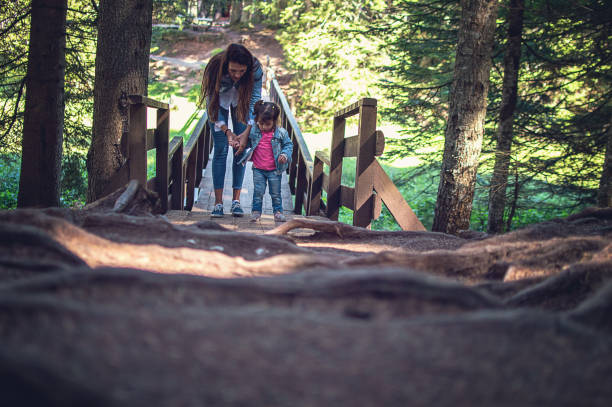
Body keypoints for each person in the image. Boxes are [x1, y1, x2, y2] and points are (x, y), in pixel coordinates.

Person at [199, 43, 263, 217]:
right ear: (226, 64)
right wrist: (227, 132)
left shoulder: (256, 70)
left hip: (242, 102)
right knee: (220, 149)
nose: (237, 75)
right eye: (233, 70)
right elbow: (212, 109)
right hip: (218, 104)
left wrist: (247, 131)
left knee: (240, 149)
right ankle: (218, 203)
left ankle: (236, 201)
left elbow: (255, 100)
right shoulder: (215, 68)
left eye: (241, 71)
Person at [246, 100, 293, 223]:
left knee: (275, 193)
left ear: (275, 121)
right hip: (258, 169)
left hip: (274, 170)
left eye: (267, 124)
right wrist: (239, 144)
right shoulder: (255, 130)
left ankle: (278, 212)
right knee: (258, 191)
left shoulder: (281, 133)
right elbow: (247, 141)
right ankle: (256, 212)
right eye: (260, 123)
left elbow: (288, 145)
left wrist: (284, 154)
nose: (263, 127)